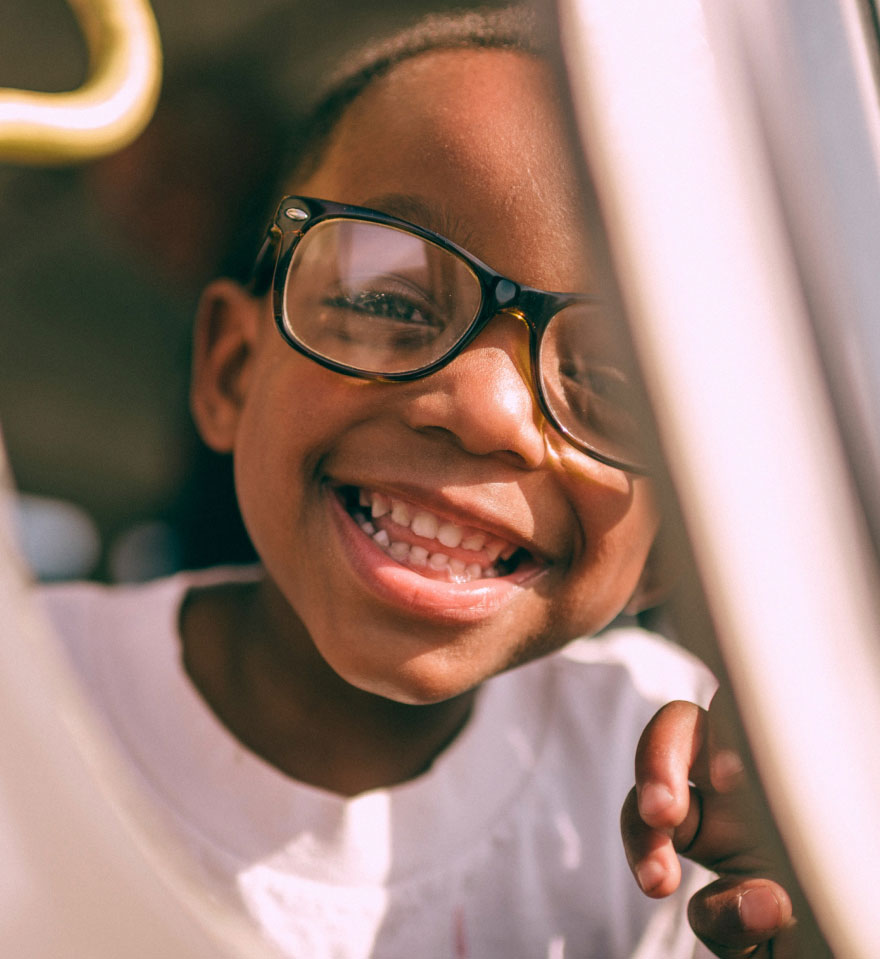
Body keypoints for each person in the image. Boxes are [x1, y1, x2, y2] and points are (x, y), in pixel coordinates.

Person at [40, 7, 795, 957]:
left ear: (676, 542)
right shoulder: (28, 697)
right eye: (389, 299)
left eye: (610, 381)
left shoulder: (672, 798)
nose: (484, 408)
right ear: (232, 370)